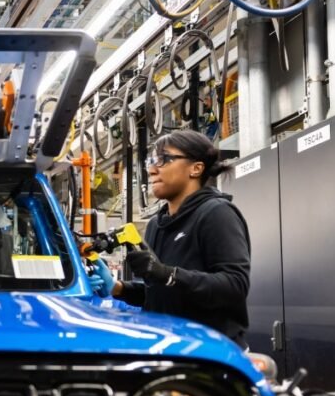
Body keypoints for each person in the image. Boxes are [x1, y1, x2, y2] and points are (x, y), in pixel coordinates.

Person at [89, 129, 251, 347]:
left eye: (164, 159)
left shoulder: (216, 213)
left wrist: (167, 274)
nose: (152, 169)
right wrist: (117, 288)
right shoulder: (158, 224)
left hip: (210, 350)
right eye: (151, 160)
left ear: (196, 168)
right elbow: (160, 295)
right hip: (169, 347)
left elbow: (235, 286)